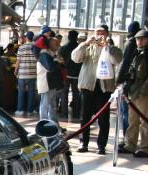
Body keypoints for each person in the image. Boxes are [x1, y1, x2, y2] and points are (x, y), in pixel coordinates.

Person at [71, 24, 123, 154]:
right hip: (88, 86)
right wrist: (85, 44)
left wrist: (107, 47)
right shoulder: (88, 47)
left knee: (103, 118)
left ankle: (101, 145)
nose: (99, 35)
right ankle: (83, 143)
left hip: (105, 88)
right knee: (85, 116)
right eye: (97, 32)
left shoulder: (113, 48)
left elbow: (118, 60)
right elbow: (75, 58)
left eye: (102, 33)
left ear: (107, 34)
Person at [119, 30, 148, 158]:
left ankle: (145, 147)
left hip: (143, 94)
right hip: (133, 91)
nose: (139, 41)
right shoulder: (136, 53)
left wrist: (143, 91)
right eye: (137, 39)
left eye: (142, 39)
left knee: (144, 121)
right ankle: (130, 145)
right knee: (132, 120)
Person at [117, 21, 141, 139]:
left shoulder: (130, 42)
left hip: (129, 81)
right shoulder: (139, 44)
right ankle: (130, 138)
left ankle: (127, 138)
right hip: (138, 81)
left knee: (126, 111)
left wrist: (118, 79)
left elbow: (125, 62)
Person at [37, 36, 62, 123]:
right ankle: (43, 123)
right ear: (50, 44)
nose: (58, 45)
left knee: (53, 105)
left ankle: (54, 123)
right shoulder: (44, 54)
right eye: (56, 44)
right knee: (45, 104)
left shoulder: (50, 54)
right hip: (47, 83)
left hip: (52, 83)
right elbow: (50, 68)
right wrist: (57, 62)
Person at [58, 30, 82, 118]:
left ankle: (64, 113)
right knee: (76, 94)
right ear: (77, 38)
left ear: (68, 37)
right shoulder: (80, 48)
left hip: (66, 73)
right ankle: (76, 113)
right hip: (77, 74)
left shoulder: (63, 48)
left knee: (64, 93)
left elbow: (60, 61)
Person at [14, 31, 37, 116]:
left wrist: (15, 71)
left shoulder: (21, 47)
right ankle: (30, 111)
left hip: (22, 74)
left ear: (26, 38)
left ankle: (20, 110)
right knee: (31, 92)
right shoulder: (36, 47)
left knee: (21, 92)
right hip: (33, 73)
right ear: (33, 37)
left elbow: (18, 61)